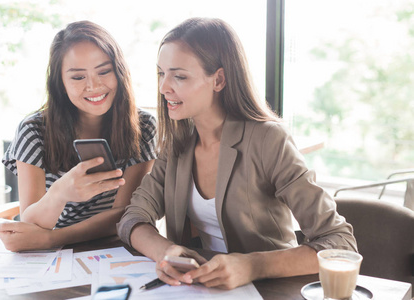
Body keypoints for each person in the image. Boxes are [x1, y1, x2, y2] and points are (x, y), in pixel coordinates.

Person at [117, 17, 357, 290]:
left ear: (218, 79)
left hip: (269, 290)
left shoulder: (268, 139)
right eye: (161, 73)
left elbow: (339, 243)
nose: (163, 87)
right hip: (200, 289)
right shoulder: (177, 143)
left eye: (179, 76)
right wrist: (166, 251)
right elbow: (132, 218)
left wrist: (252, 265)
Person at [0, 20, 157, 251]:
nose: (94, 85)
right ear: (60, 82)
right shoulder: (33, 131)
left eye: (104, 71)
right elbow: (30, 223)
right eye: (78, 77)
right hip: (49, 254)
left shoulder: (143, 126)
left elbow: (124, 215)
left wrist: (54, 238)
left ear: (119, 71)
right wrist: (60, 193)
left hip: (112, 248)